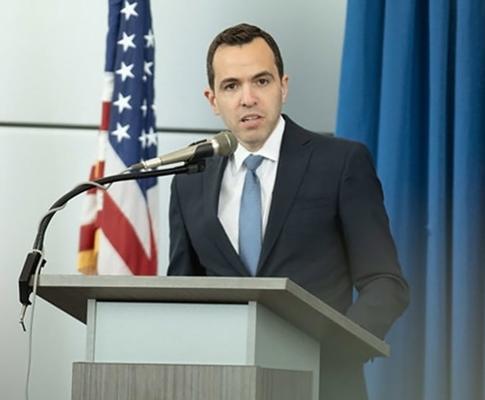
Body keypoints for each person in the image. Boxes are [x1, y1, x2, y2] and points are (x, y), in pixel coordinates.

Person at [167, 23, 409, 400]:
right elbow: (183, 294)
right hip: (221, 386)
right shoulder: (189, 181)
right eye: (231, 86)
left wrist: (334, 354)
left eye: (261, 81)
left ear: (283, 86)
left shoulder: (341, 163)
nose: (248, 98)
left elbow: (385, 283)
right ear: (212, 99)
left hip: (323, 385)